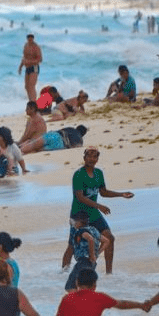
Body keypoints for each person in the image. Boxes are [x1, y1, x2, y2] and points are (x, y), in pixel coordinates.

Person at [61, 147, 134, 275]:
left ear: (97, 159)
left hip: (94, 214)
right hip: (79, 215)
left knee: (109, 238)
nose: (91, 159)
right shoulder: (78, 175)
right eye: (89, 156)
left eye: (94, 156)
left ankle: (109, 273)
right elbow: (80, 197)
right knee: (72, 246)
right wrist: (99, 206)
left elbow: (103, 192)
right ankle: (63, 273)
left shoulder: (99, 173)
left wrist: (121, 194)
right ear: (84, 158)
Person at [50, 267, 146, 316]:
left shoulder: (67, 299)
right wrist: (141, 305)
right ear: (94, 285)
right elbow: (122, 304)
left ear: (77, 282)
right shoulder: (100, 298)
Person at [63, 211, 108, 292]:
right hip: (91, 263)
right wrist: (96, 253)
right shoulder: (93, 230)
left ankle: (79, 302)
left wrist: (92, 255)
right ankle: (86, 301)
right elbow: (106, 241)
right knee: (87, 286)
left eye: (74, 221)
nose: (73, 223)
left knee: (70, 286)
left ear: (80, 222)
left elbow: (90, 239)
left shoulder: (82, 231)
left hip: (83, 262)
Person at [19, 125, 89, 154]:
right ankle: (22, 152)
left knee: (33, 144)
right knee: (38, 150)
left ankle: (19, 150)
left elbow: (60, 130)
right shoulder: (80, 140)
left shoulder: (71, 129)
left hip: (55, 135)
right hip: (60, 145)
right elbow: (76, 147)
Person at [18, 34, 44, 101]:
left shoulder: (36, 47)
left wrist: (29, 62)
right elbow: (24, 57)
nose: (30, 40)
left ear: (33, 39)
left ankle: (34, 102)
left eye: (31, 39)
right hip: (27, 68)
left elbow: (40, 59)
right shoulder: (26, 46)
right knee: (27, 87)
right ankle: (31, 101)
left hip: (34, 67)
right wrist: (20, 66)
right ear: (27, 39)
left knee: (31, 86)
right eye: (29, 39)